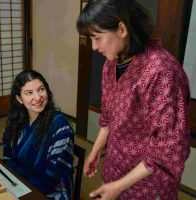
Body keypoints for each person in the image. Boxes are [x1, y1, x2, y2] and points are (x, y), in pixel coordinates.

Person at [76, 0, 190, 199]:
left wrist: (120, 186)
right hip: (115, 166)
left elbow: (170, 147)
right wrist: (96, 149)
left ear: (121, 28)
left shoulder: (161, 70)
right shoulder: (111, 65)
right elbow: (109, 116)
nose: (94, 47)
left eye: (97, 38)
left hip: (147, 182)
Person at [2, 70, 74, 200]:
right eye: (29, 93)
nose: (38, 97)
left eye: (41, 89)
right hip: (20, 184)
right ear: (19, 99)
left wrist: (24, 190)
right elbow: (7, 158)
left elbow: (54, 173)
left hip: (52, 190)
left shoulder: (59, 124)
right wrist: (14, 183)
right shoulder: (17, 120)